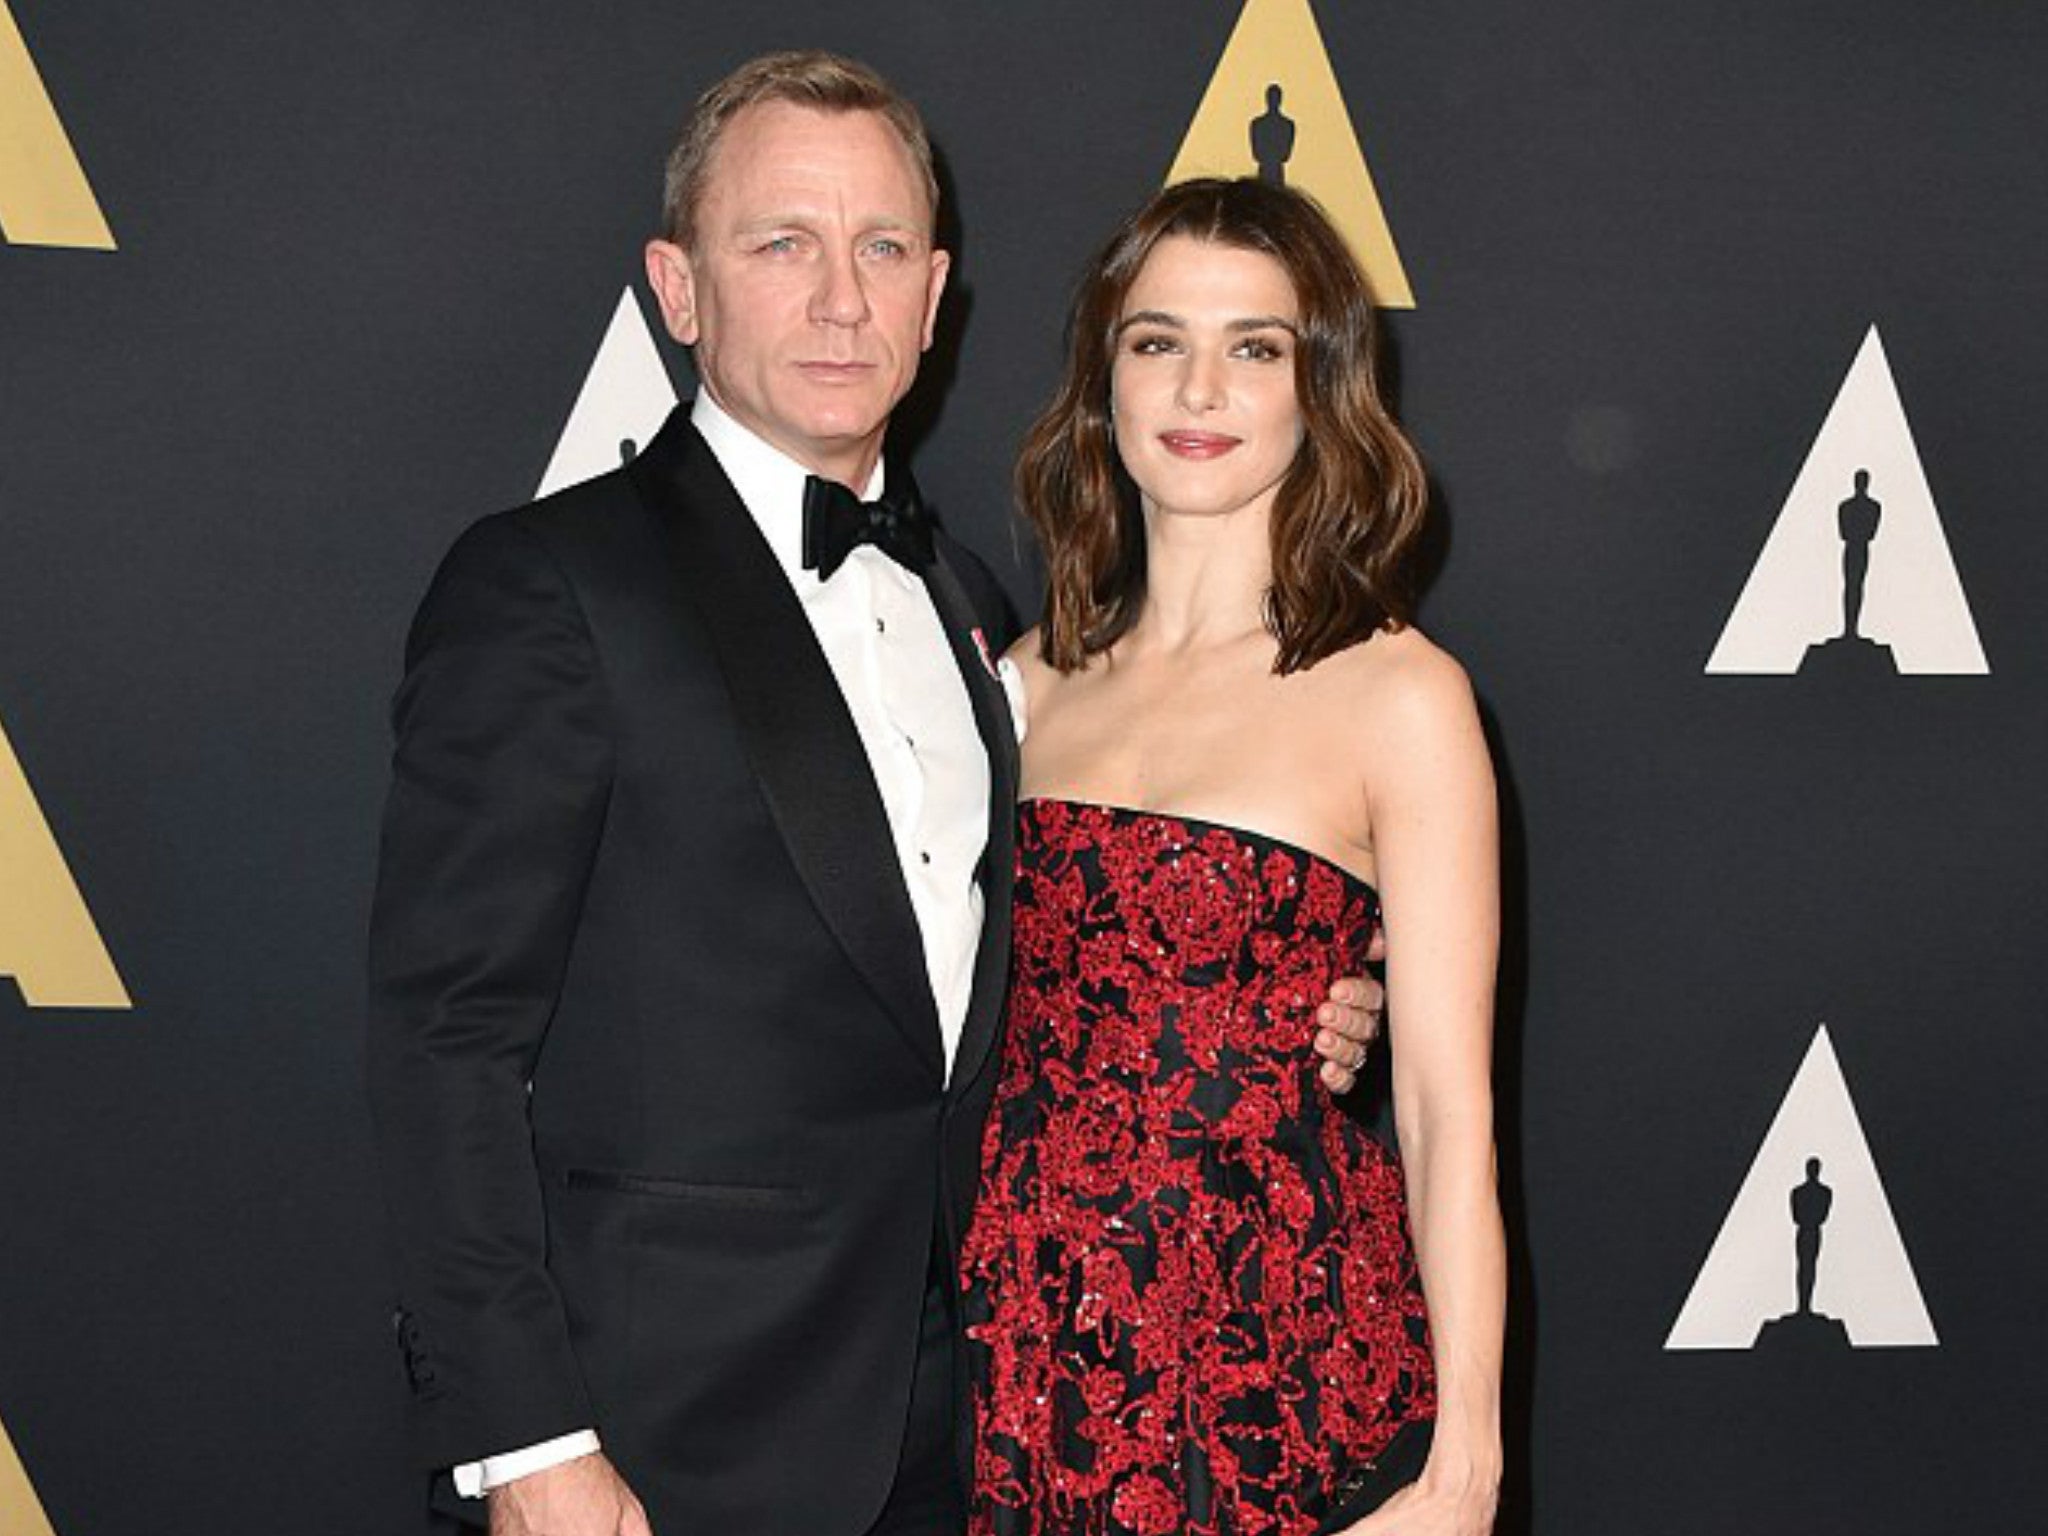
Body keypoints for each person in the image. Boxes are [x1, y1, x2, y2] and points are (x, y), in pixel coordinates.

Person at [365, 55, 1382, 1536]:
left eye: (882, 248)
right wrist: (530, 1446)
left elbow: (1057, 945)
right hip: (657, 1452)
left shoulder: (979, 610)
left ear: (935, 292)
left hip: (984, 1428)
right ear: (679, 287)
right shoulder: (550, 590)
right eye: (783, 244)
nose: (842, 298)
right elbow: (443, 1046)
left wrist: (1303, 992)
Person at [960, 178, 1504, 1536]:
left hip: (1290, 1377)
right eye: (1158, 341)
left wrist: (1468, 1464)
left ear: (1316, 390)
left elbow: (1445, 1113)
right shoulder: (1019, 685)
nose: (1201, 385)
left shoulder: (1399, 695)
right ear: (1104, 380)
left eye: (1255, 346)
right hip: (1018, 1371)